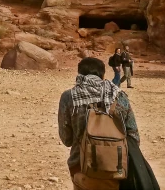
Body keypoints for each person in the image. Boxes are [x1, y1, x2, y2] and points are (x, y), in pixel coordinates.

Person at [58, 57, 141, 190]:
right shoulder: (119, 96)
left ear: (79, 74)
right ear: (102, 75)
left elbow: (66, 139)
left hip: (80, 168)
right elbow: (134, 137)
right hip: (116, 168)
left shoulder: (69, 97)